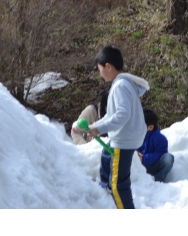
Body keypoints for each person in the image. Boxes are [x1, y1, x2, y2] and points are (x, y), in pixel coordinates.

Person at [72, 45, 149, 209]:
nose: (99, 72)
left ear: (108, 66)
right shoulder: (122, 84)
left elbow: (122, 115)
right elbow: (110, 115)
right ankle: (104, 183)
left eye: (99, 68)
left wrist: (99, 129)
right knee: (107, 155)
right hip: (122, 138)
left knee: (119, 186)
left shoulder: (121, 86)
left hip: (124, 140)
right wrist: (93, 127)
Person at [136, 109, 175, 182]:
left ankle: (158, 180)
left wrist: (143, 158)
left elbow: (160, 154)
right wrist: (135, 154)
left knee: (168, 158)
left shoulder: (159, 138)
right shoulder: (132, 136)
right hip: (137, 166)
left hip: (152, 166)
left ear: (150, 127)